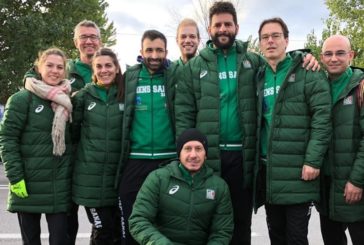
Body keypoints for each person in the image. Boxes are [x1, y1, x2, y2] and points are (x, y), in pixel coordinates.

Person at [175, 2, 319, 245]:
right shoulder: (195, 67)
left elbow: (280, 64)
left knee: (241, 223)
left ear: (237, 27)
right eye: (217, 25)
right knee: (208, 223)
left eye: (227, 24)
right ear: (209, 29)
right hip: (209, 160)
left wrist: (303, 56)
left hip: (244, 160)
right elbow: (184, 115)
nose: (223, 29)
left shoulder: (253, 62)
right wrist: (188, 155)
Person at [254, 17, 332, 245]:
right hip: (269, 172)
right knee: (276, 236)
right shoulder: (258, 76)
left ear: (286, 40)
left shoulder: (309, 72)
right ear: (259, 43)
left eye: (276, 36)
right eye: (265, 37)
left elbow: (322, 119)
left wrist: (313, 161)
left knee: (297, 238)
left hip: (299, 172)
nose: (270, 41)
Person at [0, 47, 73, 245]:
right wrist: (15, 177)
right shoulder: (22, 99)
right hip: (28, 185)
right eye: (49, 65)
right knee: (31, 241)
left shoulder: (68, 101)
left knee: (60, 241)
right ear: (39, 67)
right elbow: (7, 139)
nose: (54, 70)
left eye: (60, 67)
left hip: (59, 187)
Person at [116, 29, 178, 245]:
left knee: (165, 223)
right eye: (149, 50)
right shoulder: (129, 76)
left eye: (159, 50)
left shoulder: (175, 74)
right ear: (141, 51)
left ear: (166, 52)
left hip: (168, 159)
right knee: (132, 217)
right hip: (136, 157)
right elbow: (99, 80)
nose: (154, 55)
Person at [129, 128, 233, 245]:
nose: (193, 155)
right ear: (179, 153)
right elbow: (138, 220)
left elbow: (222, 232)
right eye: (187, 149)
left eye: (198, 149)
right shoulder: (158, 178)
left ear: (205, 155)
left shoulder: (219, 186)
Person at [72, 48, 124, 245]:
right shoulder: (83, 96)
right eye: (99, 66)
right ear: (93, 70)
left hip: (117, 179)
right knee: (103, 230)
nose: (104, 70)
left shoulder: (125, 94)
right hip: (90, 183)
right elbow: (73, 133)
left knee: (119, 232)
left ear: (117, 68)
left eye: (108, 65)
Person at [318, 34, 364, 245]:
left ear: (351, 55)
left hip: (353, 185)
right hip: (326, 186)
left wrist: (357, 180)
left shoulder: (360, 87)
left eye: (340, 53)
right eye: (328, 53)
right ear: (322, 57)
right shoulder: (318, 86)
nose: (334, 58)